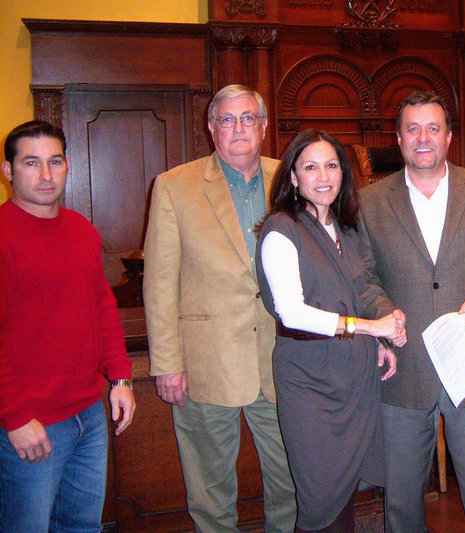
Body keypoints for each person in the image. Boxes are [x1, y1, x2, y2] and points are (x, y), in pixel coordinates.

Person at [357, 91, 465, 533]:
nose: (422, 138)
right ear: (398, 139)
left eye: (432, 128)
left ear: (449, 137)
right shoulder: (369, 202)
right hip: (404, 369)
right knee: (400, 503)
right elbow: (364, 276)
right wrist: (383, 312)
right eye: (412, 129)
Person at [143, 85, 296, 533]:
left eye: (248, 118)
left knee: (290, 484)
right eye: (226, 120)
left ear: (265, 126)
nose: (238, 128)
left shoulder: (292, 178)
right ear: (211, 128)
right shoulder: (174, 186)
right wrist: (167, 364)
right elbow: (159, 284)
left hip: (281, 362)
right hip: (205, 364)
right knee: (210, 494)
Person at [254, 129, 407, 532]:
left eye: (332, 165)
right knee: (320, 497)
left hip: (353, 378)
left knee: (345, 496)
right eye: (310, 167)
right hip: (308, 380)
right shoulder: (280, 228)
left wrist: (380, 339)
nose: (323, 176)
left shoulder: (346, 228)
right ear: (292, 177)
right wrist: (369, 327)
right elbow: (292, 313)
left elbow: (360, 289)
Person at [0, 120, 135, 531]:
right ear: (8, 171)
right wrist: (16, 417)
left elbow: (102, 309)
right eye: (31, 162)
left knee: (82, 527)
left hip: (88, 416)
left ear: (67, 164)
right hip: (30, 424)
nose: (45, 175)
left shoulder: (81, 230)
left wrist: (121, 378)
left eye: (54, 161)